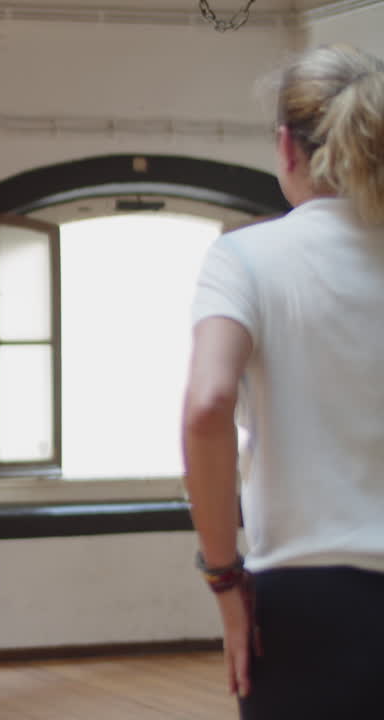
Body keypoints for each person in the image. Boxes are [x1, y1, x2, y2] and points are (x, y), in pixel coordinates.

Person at [182, 44, 384, 719]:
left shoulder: (245, 257)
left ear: (285, 148)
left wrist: (223, 577)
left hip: (302, 603)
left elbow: (208, 404)